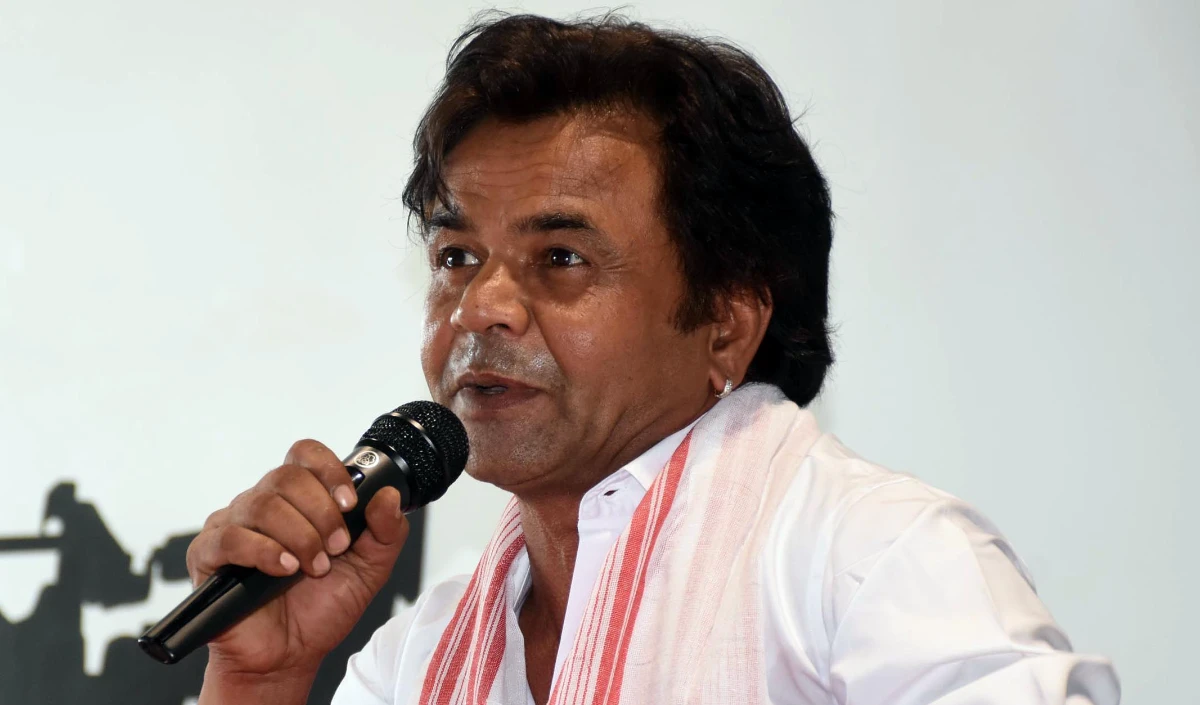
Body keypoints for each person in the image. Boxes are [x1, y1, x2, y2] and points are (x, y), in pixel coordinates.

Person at [188, 13, 1120, 705]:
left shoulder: (869, 562)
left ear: (726, 321)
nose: (479, 306)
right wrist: (260, 681)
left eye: (562, 258)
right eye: (457, 257)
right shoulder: (418, 657)